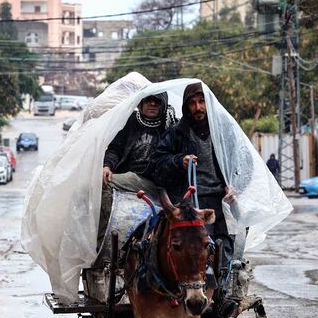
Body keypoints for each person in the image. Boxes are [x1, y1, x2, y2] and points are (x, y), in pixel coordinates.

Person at [149, 82, 233, 259]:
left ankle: (224, 283)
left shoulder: (224, 132)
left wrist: (233, 185)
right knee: (201, 250)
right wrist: (179, 161)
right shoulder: (176, 133)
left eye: (202, 102)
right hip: (190, 201)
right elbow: (156, 164)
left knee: (227, 248)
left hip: (222, 200)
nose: (198, 108)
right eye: (192, 103)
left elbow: (241, 163)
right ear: (186, 107)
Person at [98, 92, 176, 238]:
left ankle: (105, 239)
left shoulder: (171, 125)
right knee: (101, 181)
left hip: (155, 182)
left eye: (157, 101)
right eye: (148, 100)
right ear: (140, 103)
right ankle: (103, 237)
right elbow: (116, 149)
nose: (152, 104)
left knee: (108, 184)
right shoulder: (131, 122)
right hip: (130, 177)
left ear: (163, 104)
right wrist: (107, 166)